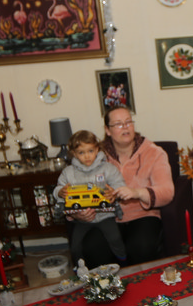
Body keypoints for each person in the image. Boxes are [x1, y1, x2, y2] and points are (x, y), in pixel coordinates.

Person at [70, 105, 175, 267]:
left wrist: (137, 193)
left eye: (128, 122)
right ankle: (107, 283)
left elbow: (167, 192)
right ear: (107, 130)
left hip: (143, 216)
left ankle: (141, 282)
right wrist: (78, 214)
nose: (125, 127)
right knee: (92, 248)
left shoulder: (154, 153)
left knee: (141, 247)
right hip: (105, 217)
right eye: (118, 124)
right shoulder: (94, 155)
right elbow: (75, 189)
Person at [57, 129, 128, 263]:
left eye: (90, 151)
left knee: (115, 238)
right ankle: (79, 268)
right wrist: (60, 192)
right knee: (75, 245)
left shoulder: (107, 168)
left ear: (97, 149)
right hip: (82, 218)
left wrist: (114, 192)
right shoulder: (68, 172)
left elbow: (120, 185)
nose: (87, 156)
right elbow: (59, 188)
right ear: (74, 154)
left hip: (105, 215)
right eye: (81, 153)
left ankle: (123, 260)